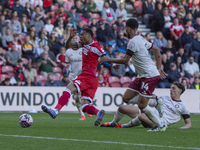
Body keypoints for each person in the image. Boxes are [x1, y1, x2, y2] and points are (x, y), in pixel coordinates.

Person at [99, 18, 167, 131]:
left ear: (128, 28)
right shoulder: (140, 38)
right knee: (126, 98)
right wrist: (159, 68)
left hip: (149, 75)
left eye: (125, 28)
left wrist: (108, 59)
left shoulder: (133, 42)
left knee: (142, 106)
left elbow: (126, 60)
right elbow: (156, 50)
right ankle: (155, 100)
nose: (125, 30)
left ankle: (160, 125)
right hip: (142, 76)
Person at [41, 28, 106, 126]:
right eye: (80, 35)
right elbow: (68, 46)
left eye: (83, 34)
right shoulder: (83, 44)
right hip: (93, 79)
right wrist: (70, 37)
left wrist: (114, 64)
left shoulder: (96, 46)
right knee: (84, 106)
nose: (80, 36)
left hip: (87, 75)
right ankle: (98, 112)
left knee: (68, 89)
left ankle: (55, 110)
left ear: (89, 35)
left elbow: (105, 56)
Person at [101, 82, 191, 131]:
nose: (170, 90)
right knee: (122, 108)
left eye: (173, 88)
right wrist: (141, 94)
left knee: (142, 116)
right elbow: (152, 97)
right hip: (150, 114)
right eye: (170, 88)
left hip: (158, 121)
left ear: (180, 91)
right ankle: (113, 122)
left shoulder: (183, 106)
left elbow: (188, 123)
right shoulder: (164, 98)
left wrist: (181, 128)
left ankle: (123, 126)